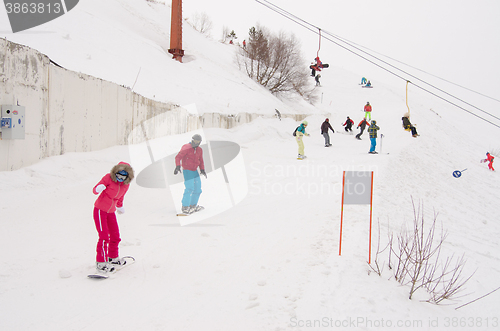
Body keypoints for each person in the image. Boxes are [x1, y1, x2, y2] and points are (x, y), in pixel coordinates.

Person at [92, 161, 135, 273]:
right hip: (100, 210)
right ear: (115, 173)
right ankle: (101, 262)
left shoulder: (126, 185)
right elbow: (95, 190)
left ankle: (113, 258)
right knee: (104, 236)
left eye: (123, 176)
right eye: (118, 175)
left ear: (127, 177)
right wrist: (99, 187)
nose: (120, 178)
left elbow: (120, 198)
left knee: (115, 235)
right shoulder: (108, 178)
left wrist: (120, 207)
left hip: (111, 211)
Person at [174, 134, 207, 214]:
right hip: (187, 171)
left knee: (198, 189)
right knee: (189, 188)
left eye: (198, 142)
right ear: (192, 140)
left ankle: (193, 205)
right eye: (195, 141)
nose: (196, 143)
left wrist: (202, 169)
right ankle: (185, 206)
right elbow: (178, 157)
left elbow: (201, 160)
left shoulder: (199, 150)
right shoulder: (186, 148)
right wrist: (178, 166)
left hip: (195, 171)